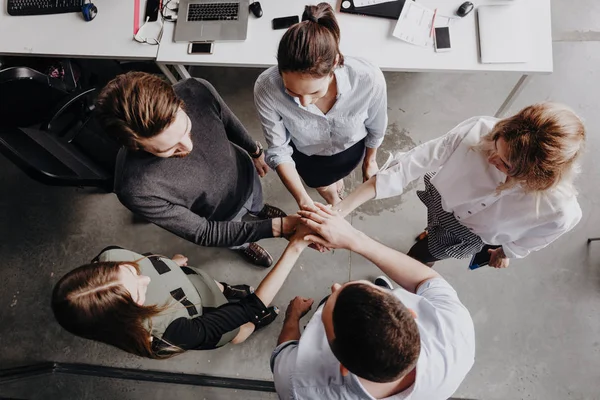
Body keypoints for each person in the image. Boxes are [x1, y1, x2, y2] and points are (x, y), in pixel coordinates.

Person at [333, 102, 585, 268]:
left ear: (537, 176)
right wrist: (340, 210)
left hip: (469, 233)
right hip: (441, 199)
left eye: (505, 165)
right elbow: (413, 163)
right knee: (431, 225)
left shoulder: (559, 210)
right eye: (495, 145)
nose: (490, 159)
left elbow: (535, 239)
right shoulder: (479, 130)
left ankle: (424, 253)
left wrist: (505, 252)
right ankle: (431, 230)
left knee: (418, 257)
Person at [271, 203, 475, 399]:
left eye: (325, 320)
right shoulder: (455, 334)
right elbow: (427, 279)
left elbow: (285, 349)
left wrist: (293, 317)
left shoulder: (296, 384)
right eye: (374, 291)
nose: (336, 286)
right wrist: (355, 239)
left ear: (343, 367)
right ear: (411, 314)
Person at [96, 72, 298, 268]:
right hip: (219, 216)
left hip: (244, 172)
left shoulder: (196, 90)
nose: (188, 147)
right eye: (170, 149)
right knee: (233, 236)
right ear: (135, 146)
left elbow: (227, 120)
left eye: (185, 127)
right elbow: (205, 232)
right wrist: (277, 228)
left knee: (256, 200)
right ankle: (243, 245)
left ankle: (259, 209)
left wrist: (254, 151)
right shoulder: (135, 188)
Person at [51, 234, 311, 358]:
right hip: (203, 315)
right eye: (139, 291)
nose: (146, 279)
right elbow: (249, 308)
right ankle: (258, 323)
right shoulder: (171, 333)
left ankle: (228, 290)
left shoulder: (110, 255)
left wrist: (167, 264)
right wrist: (295, 246)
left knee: (215, 286)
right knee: (240, 330)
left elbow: (144, 260)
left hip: (191, 283)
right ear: (125, 316)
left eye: (129, 271)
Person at [254, 3, 387, 208]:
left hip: (351, 149)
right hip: (308, 156)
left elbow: (376, 126)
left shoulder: (369, 79)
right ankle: (332, 196)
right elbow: (279, 149)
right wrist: (303, 201)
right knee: (323, 186)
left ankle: (334, 185)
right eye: (292, 92)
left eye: (315, 92)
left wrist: (370, 161)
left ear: (334, 64)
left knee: (337, 177)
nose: (304, 103)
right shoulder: (266, 88)